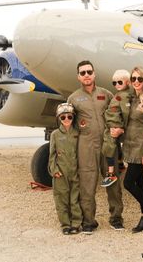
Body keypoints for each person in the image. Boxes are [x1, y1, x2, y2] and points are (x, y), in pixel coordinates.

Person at [68, 60, 124, 234]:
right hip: (86, 146)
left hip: (108, 145)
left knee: (112, 180)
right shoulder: (73, 98)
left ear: (94, 74)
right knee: (87, 183)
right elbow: (68, 126)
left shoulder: (106, 94)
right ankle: (89, 222)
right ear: (78, 76)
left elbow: (117, 114)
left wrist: (120, 129)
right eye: (83, 73)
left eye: (89, 72)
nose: (86, 75)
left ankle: (116, 219)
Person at [112, 66, 143, 233]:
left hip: (141, 146)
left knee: (128, 183)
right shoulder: (131, 98)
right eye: (134, 79)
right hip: (130, 144)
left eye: (140, 79)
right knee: (140, 181)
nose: (136, 82)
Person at [48, 103, 82, 235]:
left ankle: (76, 223)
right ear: (59, 119)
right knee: (61, 199)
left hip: (75, 171)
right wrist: (54, 170)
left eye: (69, 117)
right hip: (61, 172)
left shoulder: (77, 133)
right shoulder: (55, 134)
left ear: (73, 117)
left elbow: (81, 152)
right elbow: (52, 155)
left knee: (75, 199)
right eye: (63, 117)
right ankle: (65, 225)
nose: (66, 119)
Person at [101, 69, 132, 188]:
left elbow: (126, 113)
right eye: (114, 83)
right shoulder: (119, 96)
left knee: (108, 147)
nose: (117, 85)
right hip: (111, 125)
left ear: (128, 83)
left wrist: (122, 129)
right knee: (112, 147)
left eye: (120, 82)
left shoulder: (123, 97)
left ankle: (111, 173)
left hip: (115, 126)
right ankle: (119, 165)